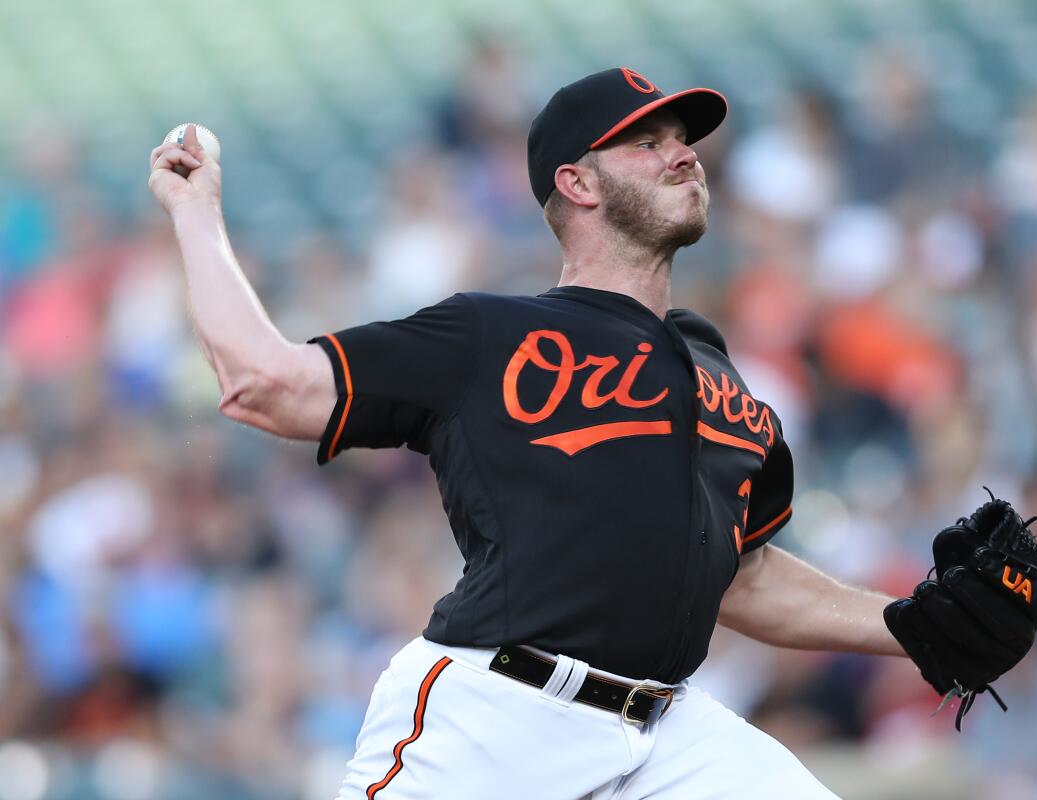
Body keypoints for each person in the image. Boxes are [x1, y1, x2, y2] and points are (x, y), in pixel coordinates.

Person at [148, 67, 909, 799]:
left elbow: (746, 578)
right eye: (646, 142)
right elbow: (265, 383)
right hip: (498, 717)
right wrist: (195, 210)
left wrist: (911, 624)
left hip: (667, 732)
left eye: (684, 138)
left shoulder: (713, 372)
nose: (684, 153)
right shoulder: (488, 335)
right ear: (576, 183)